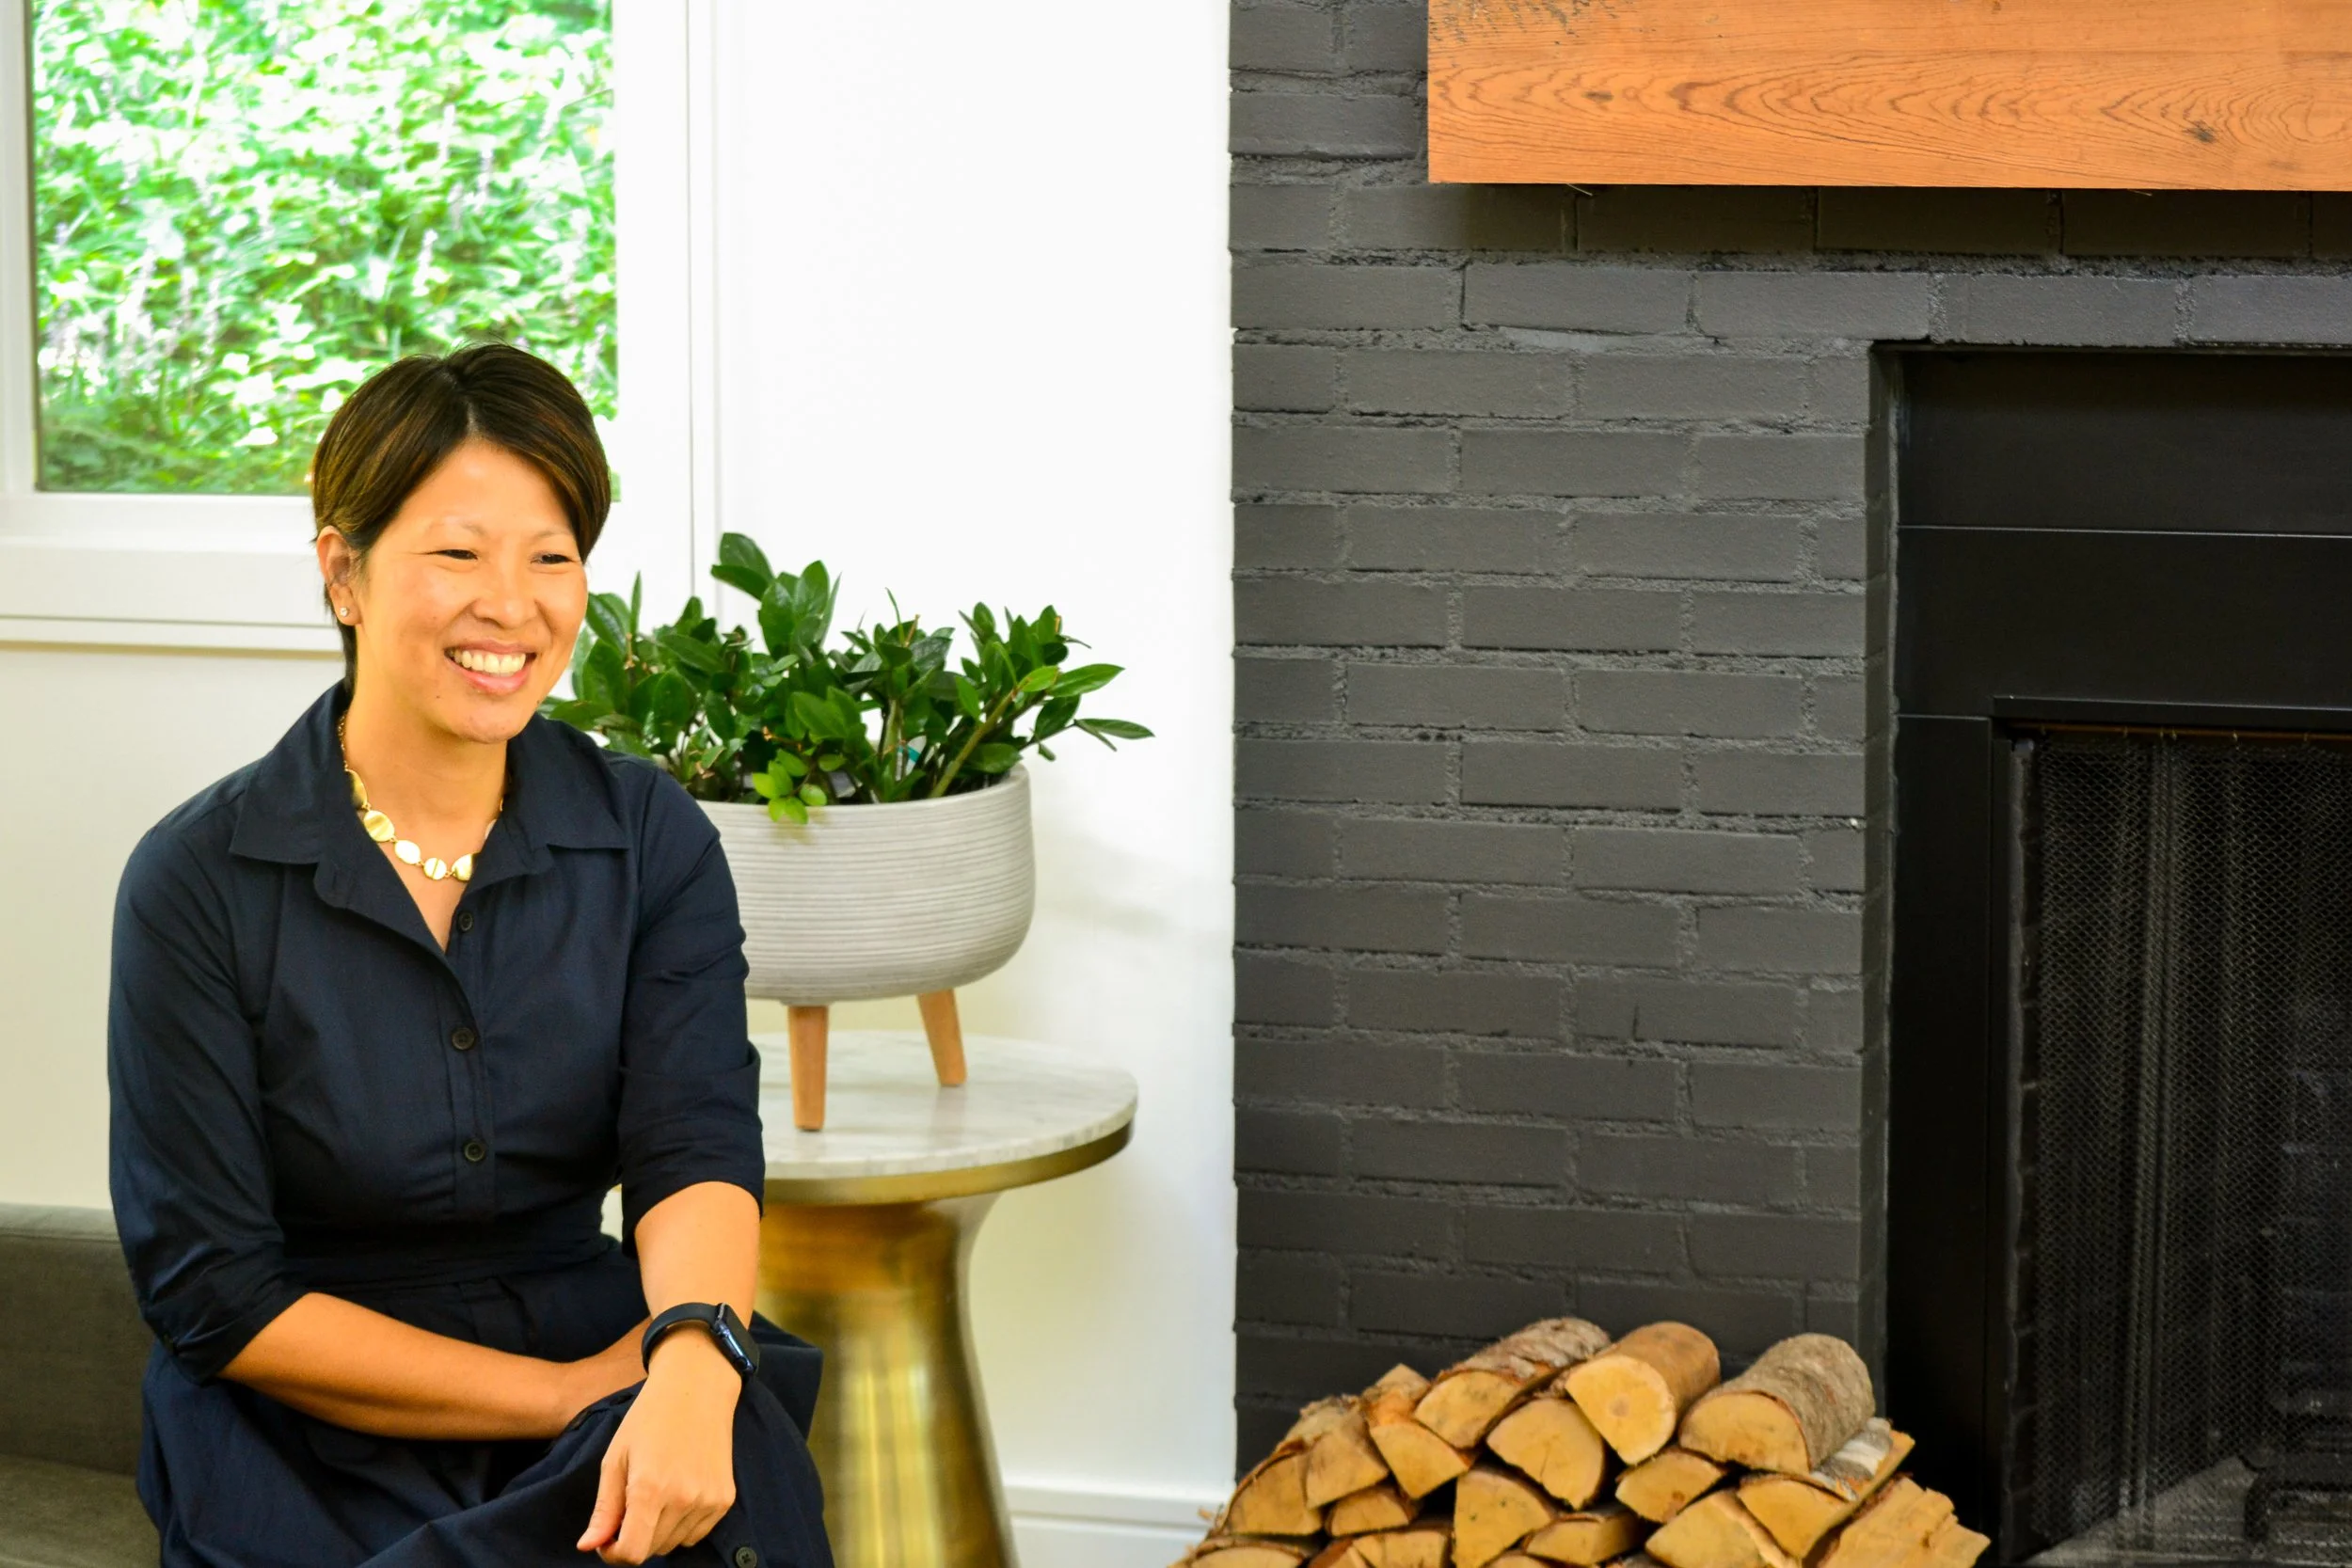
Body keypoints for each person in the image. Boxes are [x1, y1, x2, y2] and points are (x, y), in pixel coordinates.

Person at [105, 343, 833, 1567]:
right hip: (308, 1417)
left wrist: (695, 1360)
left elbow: (692, 1144)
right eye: (458, 552)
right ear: (344, 571)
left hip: (622, 1352)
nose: (514, 601)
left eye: (551, 556)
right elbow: (215, 1291)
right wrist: (560, 1397)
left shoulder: (649, 838)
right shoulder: (198, 880)